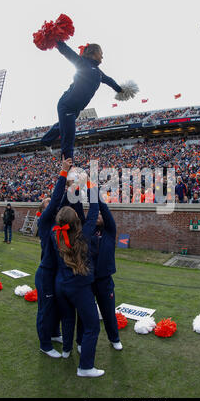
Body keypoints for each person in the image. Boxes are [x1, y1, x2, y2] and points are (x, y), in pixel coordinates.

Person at [51, 192, 104, 377]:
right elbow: (94, 210)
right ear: (76, 222)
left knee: (67, 318)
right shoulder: (84, 234)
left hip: (60, 285)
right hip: (79, 286)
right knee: (92, 326)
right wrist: (90, 187)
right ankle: (85, 367)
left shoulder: (54, 233)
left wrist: (69, 191)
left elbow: (60, 210)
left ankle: (66, 350)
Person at [41, 42, 123, 160]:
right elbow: (68, 53)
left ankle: (46, 140)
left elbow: (109, 80)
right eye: (101, 53)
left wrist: (120, 90)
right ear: (94, 53)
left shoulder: (98, 72)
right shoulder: (82, 63)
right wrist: (57, 41)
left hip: (75, 108)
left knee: (62, 126)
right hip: (67, 105)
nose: (102, 56)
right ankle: (67, 172)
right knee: (69, 137)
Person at [35, 157, 72, 358]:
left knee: (57, 305)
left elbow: (63, 201)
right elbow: (57, 199)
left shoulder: (55, 220)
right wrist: (63, 173)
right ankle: (44, 344)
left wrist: (69, 186)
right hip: (46, 272)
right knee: (45, 309)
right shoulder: (44, 222)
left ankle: (55, 333)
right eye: (48, 204)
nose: (52, 205)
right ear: (43, 211)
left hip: (57, 272)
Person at [76, 192, 122, 353]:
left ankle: (114, 338)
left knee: (108, 312)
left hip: (104, 280)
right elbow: (80, 212)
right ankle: (80, 341)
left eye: (101, 215)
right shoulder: (86, 232)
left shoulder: (109, 231)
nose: (99, 216)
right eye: (97, 214)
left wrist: (93, 192)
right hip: (87, 281)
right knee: (83, 314)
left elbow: (105, 211)